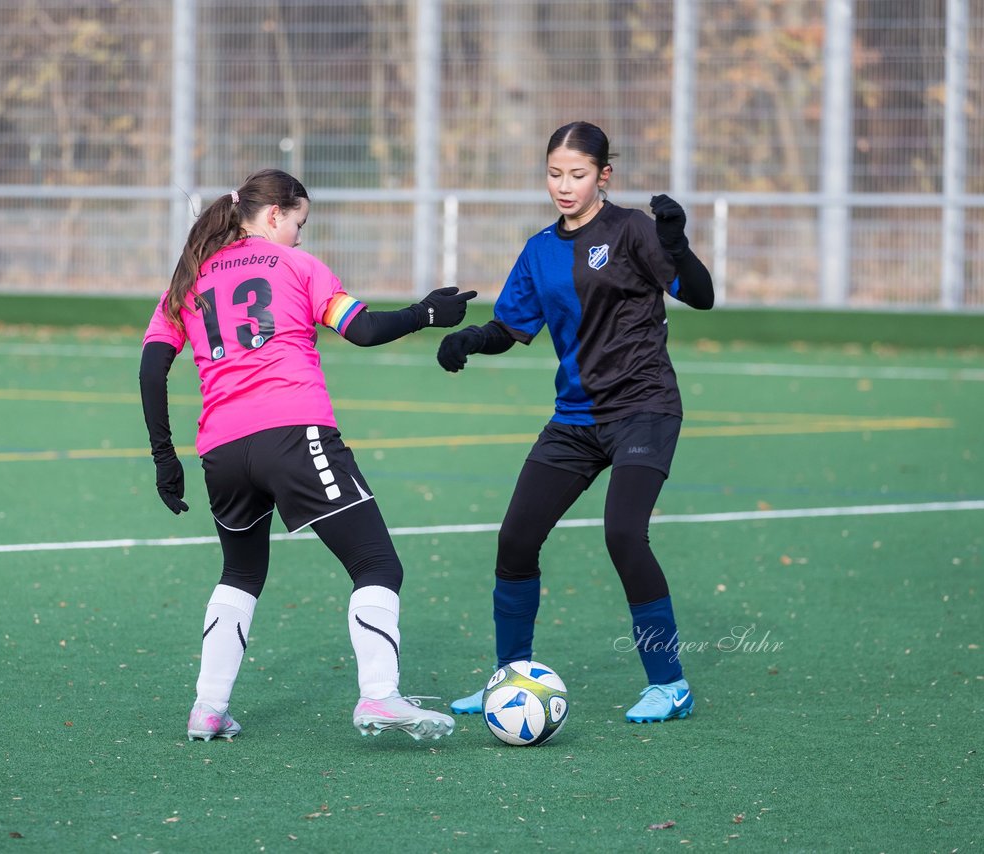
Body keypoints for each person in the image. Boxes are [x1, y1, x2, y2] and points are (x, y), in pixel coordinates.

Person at [140, 168, 476, 742]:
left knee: (241, 573)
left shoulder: (190, 276)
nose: (300, 234)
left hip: (221, 450)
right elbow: (363, 329)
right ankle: (379, 697)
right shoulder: (296, 265)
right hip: (295, 433)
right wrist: (427, 312)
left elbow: (152, 367)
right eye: (299, 222)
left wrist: (163, 456)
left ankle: (208, 708)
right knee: (377, 565)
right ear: (274, 215)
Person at [436, 121, 715, 723]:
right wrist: (470, 339)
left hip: (643, 408)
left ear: (603, 176)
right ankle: (510, 677)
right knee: (516, 540)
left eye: (578, 174)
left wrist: (678, 245)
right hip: (575, 419)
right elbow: (511, 327)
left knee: (623, 534)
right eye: (554, 174)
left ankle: (670, 684)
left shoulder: (634, 229)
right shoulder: (540, 248)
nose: (564, 186)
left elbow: (701, 295)